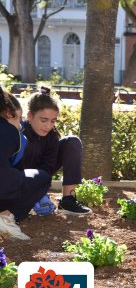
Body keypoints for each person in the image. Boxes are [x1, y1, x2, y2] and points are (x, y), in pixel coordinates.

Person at [16, 87, 91, 215]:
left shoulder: (51, 136)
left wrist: (40, 191)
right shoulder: (17, 132)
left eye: (53, 121)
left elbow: (48, 168)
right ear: (29, 116)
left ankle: (68, 200)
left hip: (41, 175)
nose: (48, 126)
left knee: (72, 142)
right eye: (43, 120)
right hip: (16, 179)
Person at [0, 88, 51, 240]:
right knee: (41, 177)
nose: (20, 125)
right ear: (9, 113)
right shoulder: (9, 131)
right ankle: (5, 218)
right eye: (18, 119)